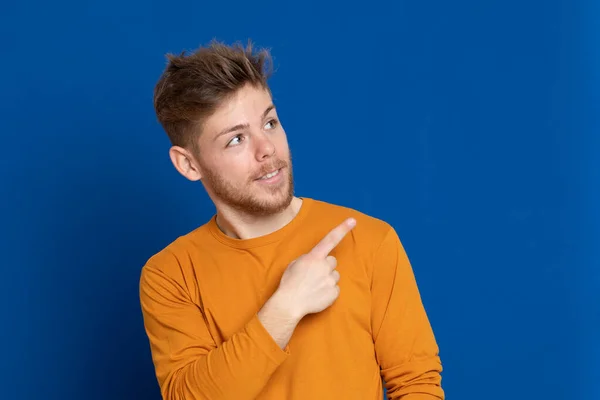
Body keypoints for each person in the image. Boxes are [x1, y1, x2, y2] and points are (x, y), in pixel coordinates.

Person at [139, 40, 445, 400]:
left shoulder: (369, 241)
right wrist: (285, 308)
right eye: (236, 139)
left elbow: (417, 385)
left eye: (269, 122)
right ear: (189, 164)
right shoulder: (170, 275)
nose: (266, 148)